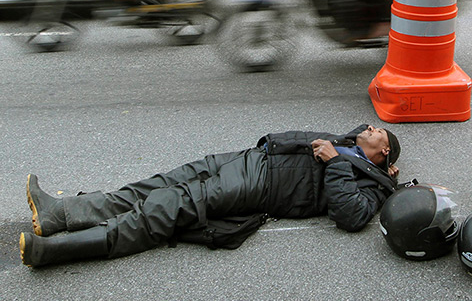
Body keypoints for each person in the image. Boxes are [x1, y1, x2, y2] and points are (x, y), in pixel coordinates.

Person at [20, 124, 401, 268]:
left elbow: (350, 216)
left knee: (168, 209)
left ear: (383, 152)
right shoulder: (350, 143)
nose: (369, 127)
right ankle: (60, 213)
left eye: (378, 132)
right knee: (155, 186)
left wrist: (341, 163)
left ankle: (61, 249)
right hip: (249, 159)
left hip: (261, 186)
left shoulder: (371, 183)